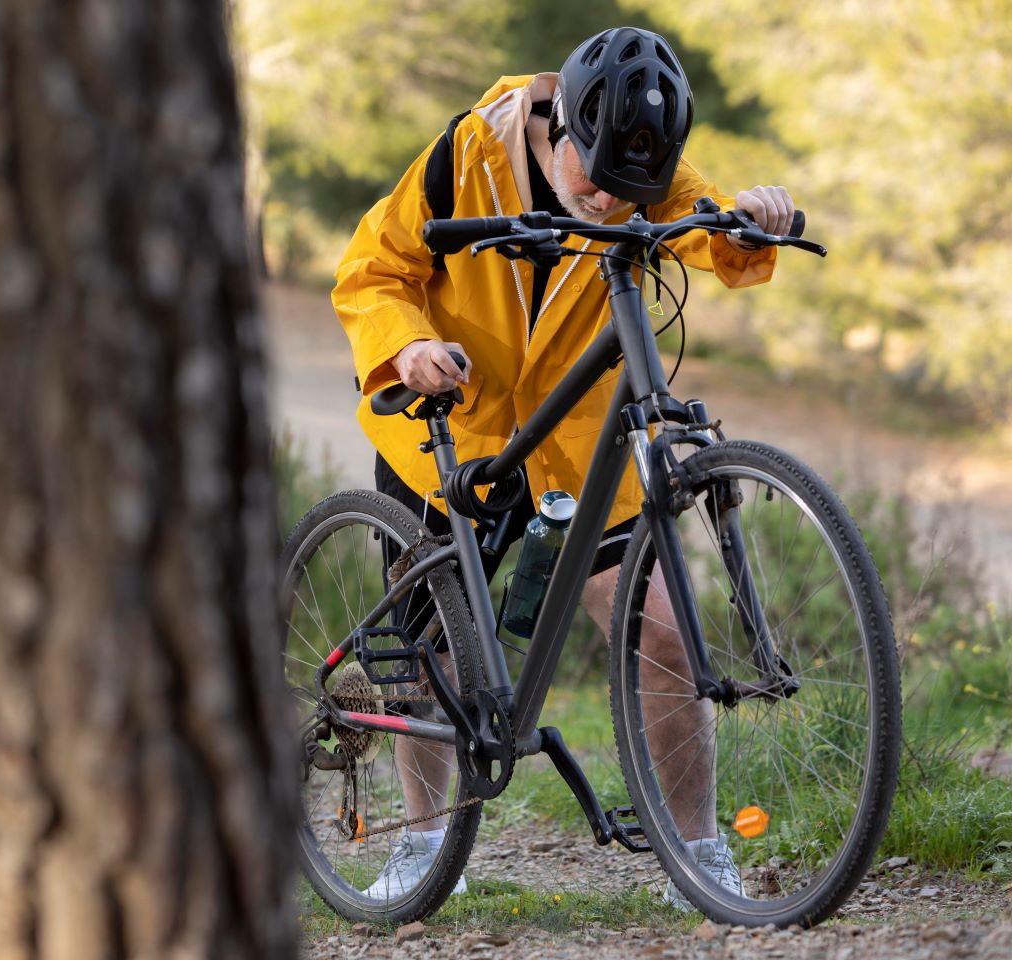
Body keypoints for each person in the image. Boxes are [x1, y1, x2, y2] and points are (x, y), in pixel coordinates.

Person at [331, 26, 794, 907]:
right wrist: (411, 344)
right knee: (433, 654)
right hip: (452, 428)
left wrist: (756, 218)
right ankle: (427, 847)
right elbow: (370, 270)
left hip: (580, 446)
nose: (617, 204)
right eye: (599, 182)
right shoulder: (468, 153)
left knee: (661, 632)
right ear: (567, 126)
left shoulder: (638, 167)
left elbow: (716, 236)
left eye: (636, 191)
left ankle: (701, 852)